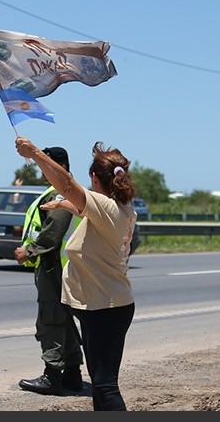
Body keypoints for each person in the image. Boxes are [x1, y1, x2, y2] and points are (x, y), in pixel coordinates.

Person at [15, 136, 137, 411]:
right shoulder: (120, 210)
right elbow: (85, 211)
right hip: (107, 305)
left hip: (106, 308)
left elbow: (67, 185)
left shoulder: (105, 208)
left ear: (94, 179)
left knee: (105, 387)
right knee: (101, 384)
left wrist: (34, 153)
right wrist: (63, 205)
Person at [14, 146, 84, 396]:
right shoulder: (68, 191)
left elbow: (52, 234)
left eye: (46, 164)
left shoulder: (61, 193)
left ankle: (52, 376)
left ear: (61, 166)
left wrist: (28, 252)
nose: (43, 170)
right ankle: (73, 375)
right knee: (64, 320)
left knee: (50, 320)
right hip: (64, 267)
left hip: (54, 266)